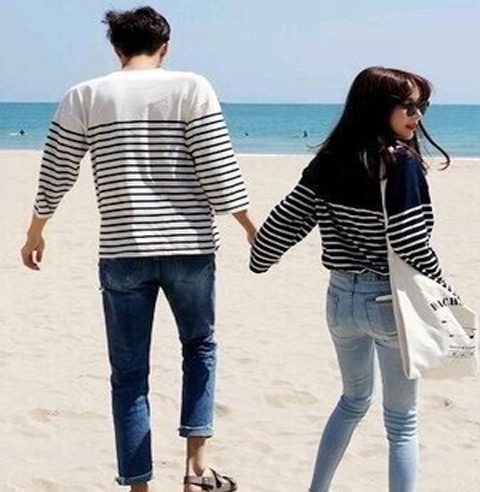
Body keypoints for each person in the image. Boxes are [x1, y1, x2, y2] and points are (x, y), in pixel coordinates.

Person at [21, 6, 256, 492]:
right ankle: (195, 471)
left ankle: (139, 486)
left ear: (116, 48)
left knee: (128, 374)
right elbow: (217, 166)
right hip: (189, 245)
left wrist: (36, 230)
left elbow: (57, 171)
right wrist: (247, 224)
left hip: (123, 249)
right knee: (200, 348)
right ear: (166, 46)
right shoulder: (192, 87)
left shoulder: (85, 95)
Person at [250, 66, 451, 492]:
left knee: (352, 401)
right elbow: (409, 242)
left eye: (422, 106)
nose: (417, 116)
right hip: (388, 303)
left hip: (341, 301)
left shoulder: (330, 159)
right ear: (378, 107)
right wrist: (444, 292)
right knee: (402, 421)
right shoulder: (399, 162)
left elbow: (288, 219)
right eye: (408, 106)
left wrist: (261, 257)